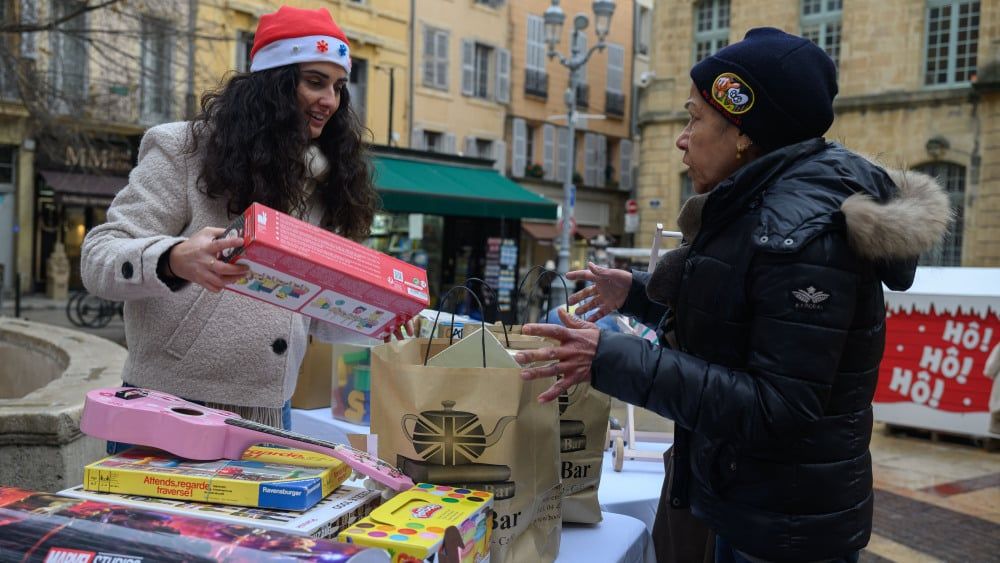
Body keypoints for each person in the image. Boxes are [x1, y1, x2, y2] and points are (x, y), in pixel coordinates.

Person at [515, 28, 951, 563]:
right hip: (755, 507)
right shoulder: (762, 207)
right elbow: (744, 325)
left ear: (743, 133)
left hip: (785, 532)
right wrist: (639, 295)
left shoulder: (801, 234)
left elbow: (780, 408)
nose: (681, 137)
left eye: (694, 118)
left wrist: (611, 357)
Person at [82, 6, 401, 431]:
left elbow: (314, 313)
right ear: (273, 83)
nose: (331, 100)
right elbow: (98, 256)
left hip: (272, 412)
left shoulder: (324, 178)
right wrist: (173, 258)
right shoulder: (182, 149)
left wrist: (381, 316)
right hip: (169, 406)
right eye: (314, 82)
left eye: (339, 87)